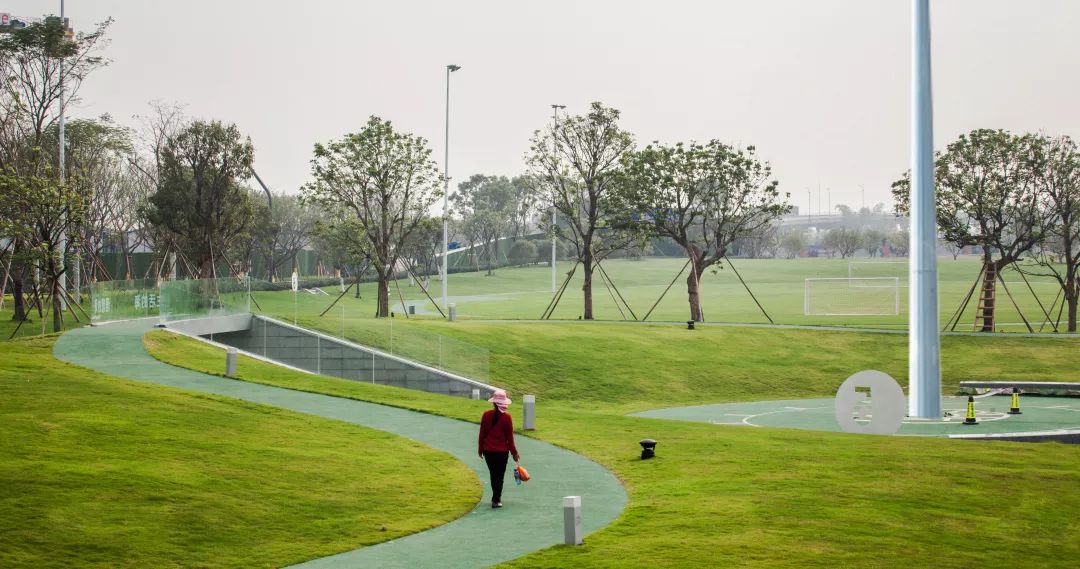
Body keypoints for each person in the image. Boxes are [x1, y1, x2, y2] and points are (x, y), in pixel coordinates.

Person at [477, 389, 519, 509]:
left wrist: (480, 449)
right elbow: (510, 438)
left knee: (493, 474)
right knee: (499, 476)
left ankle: (495, 498)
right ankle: (496, 499)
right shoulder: (507, 418)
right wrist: (514, 453)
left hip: (488, 451)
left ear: (493, 402)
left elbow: (482, 434)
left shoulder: (486, 415)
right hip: (502, 452)